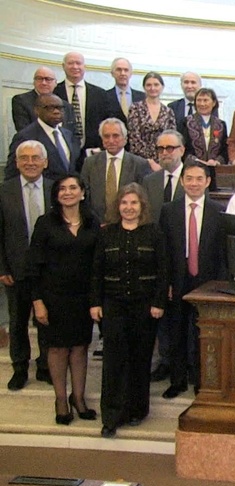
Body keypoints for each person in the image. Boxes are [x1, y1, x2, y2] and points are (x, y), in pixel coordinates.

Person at [90, 183, 168, 438]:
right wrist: (95, 303)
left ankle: (137, 410)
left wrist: (158, 303)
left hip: (145, 307)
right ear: (118, 206)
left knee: (139, 359)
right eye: (124, 203)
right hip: (113, 305)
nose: (129, 208)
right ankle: (111, 416)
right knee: (113, 361)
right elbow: (96, 271)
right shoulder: (106, 234)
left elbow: (163, 270)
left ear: (142, 206)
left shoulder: (153, 232)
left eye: (134, 203)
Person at [26, 174, 100, 424]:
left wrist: (96, 300)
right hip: (53, 298)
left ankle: (78, 398)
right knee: (57, 349)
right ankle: (60, 399)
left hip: (83, 299)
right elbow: (33, 265)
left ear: (82, 192)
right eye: (62, 189)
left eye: (73, 188)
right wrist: (37, 301)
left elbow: (97, 265)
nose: (68, 192)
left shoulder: (92, 222)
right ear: (56, 195)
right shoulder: (45, 223)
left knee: (80, 348)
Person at [160, 161, 226, 399]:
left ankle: (201, 381)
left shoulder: (219, 211)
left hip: (207, 282)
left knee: (203, 333)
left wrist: (220, 286)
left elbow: (222, 253)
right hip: (178, 279)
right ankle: (177, 381)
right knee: (176, 331)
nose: (194, 183)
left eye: (199, 179)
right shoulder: (169, 211)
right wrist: (165, 283)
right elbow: (164, 251)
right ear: (182, 181)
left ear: (208, 182)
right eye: (189, 178)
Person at [1, 141, 52, 390]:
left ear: (45, 162)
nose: (30, 162)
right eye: (25, 158)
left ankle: (45, 366)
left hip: (49, 270)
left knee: (46, 320)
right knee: (18, 321)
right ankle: (20, 367)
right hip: (16, 269)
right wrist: (2, 268)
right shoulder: (5, 190)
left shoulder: (56, 189)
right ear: (17, 162)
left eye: (35, 157)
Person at [142, 130, 186, 383]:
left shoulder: (193, 177)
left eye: (171, 148)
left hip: (185, 257)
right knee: (162, 315)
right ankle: (165, 360)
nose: (166, 153)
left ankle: (185, 363)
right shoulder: (149, 181)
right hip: (157, 258)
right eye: (161, 149)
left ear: (182, 150)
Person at [81, 118, 151, 223]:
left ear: (125, 138)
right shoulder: (90, 163)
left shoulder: (139, 164)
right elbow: (84, 195)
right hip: (97, 224)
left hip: (129, 224)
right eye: (106, 136)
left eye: (116, 136)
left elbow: (144, 199)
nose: (111, 140)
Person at [7, 94, 81, 180]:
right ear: (37, 110)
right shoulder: (25, 136)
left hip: (66, 191)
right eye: (50, 108)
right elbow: (12, 172)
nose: (56, 111)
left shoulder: (68, 134)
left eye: (60, 108)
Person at [53, 52, 107, 153]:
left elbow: (106, 123)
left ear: (84, 66)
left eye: (78, 63)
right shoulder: (54, 93)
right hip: (62, 152)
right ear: (63, 66)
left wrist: (101, 148)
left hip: (92, 152)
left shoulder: (100, 94)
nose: (75, 66)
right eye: (71, 63)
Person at [180, 87, 228, 192]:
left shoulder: (221, 124)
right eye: (199, 100)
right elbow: (182, 147)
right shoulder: (186, 122)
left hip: (214, 173)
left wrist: (216, 161)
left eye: (205, 100)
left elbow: (225, 148)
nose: (202, 104)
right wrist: (196, 161)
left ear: (214, 102)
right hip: (192, 171)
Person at [127, 72, 176, 172]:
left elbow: (172, 138)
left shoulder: (168, 111)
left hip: (163, 163)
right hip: (140, 162)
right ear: (144, 87)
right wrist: (150, 161)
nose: (152, 88)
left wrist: (161, 160)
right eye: (149, 85)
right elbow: (134, 138)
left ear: (162, 87)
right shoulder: (135, 108)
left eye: (156, 84)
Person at [11, 66, 76, 132]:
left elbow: (73, 135)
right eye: (39, 79)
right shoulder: (21, 101)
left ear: (55, 83)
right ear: (34, 82)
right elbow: (23, 131)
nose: (43, 83)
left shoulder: (67, 106)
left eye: (48, 79)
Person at [104, 58, 144, 125]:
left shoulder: (142, 97)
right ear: (112, 73)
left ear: (131, 73)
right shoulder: (104, 96)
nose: (122, 73)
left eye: (126, 70)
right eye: (119, 70)